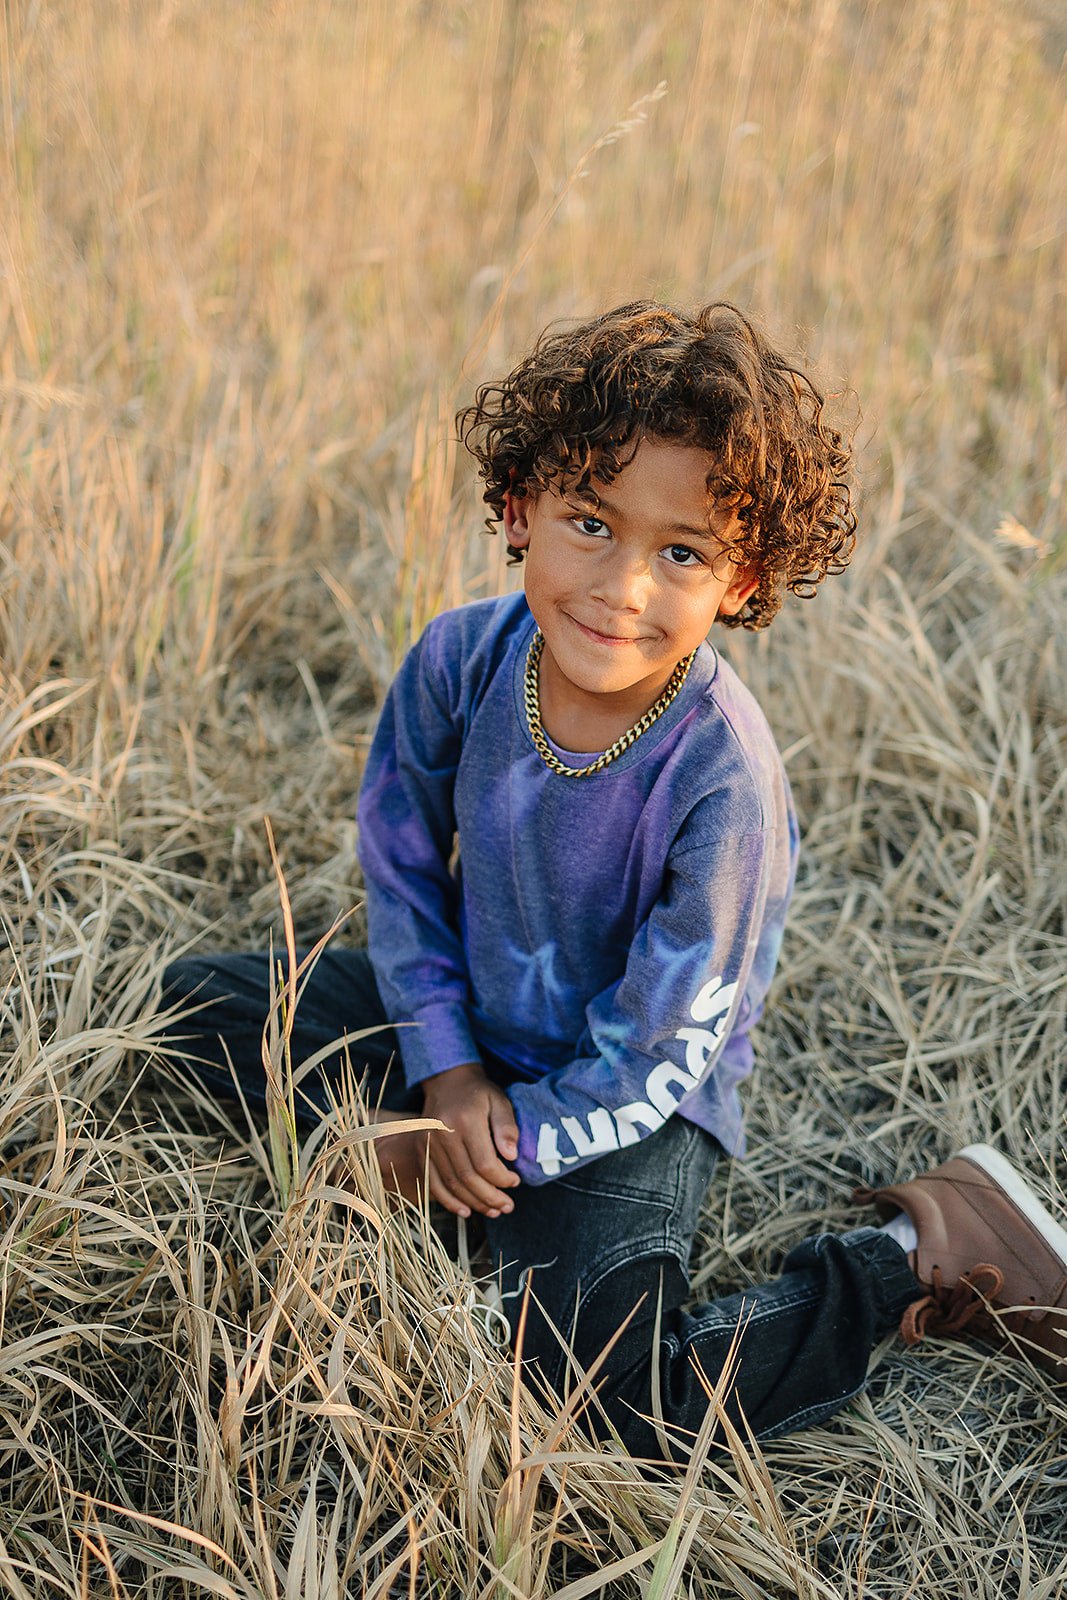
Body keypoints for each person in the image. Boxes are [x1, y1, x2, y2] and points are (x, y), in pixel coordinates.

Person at [160, 302, 1067, 1461]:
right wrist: (444, 1068)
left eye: (680, 551)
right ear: (517, 507)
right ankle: (438, 1172)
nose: (622, 586)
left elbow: (662, 1047)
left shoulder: (720, 784)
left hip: (632, 1105)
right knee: (203, 1006)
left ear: (741, 579)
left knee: (596, 1400)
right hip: (478, 1027)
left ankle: (903, 1258)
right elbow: (397, 864)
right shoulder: (458, 659)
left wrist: (513, 1141)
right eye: (590, 521)